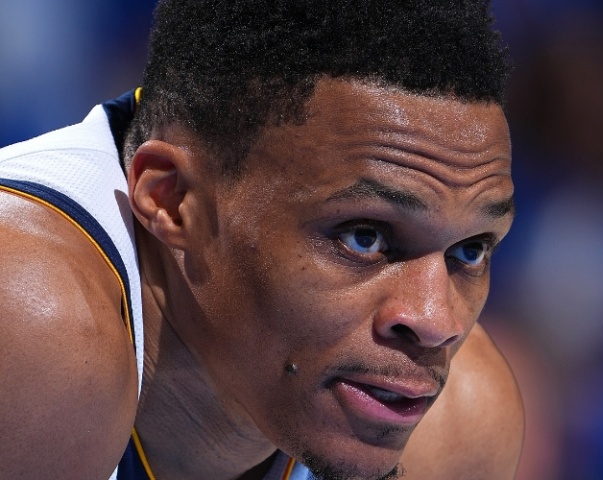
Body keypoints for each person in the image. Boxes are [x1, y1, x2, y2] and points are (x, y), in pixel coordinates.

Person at [0, 0, 523, 479]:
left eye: (470, 250)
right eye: (364, 238)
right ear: (173, 200)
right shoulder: (31, 322)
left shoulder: (455, 424)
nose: (436, 323)